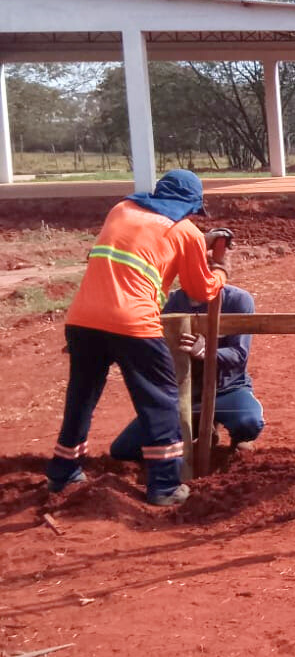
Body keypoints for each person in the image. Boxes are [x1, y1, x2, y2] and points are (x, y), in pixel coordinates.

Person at [44, 169, 228, 506]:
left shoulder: (121, 210)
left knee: (82, 396)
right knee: (159, 401)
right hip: (132, 323)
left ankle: (63, 471)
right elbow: (199, 291)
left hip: (83, 320)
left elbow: (146, 242)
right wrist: (220, 269)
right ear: (190, 204)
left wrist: (194, 243)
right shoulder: (185, 231)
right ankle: (165, 485)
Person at [109, 275, 264, 461]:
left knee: (249, 423)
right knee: (124, 449)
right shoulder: (167, 303)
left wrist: (207, 352)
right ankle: (197, 430)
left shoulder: (237, 300)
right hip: (182, 394)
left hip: (227, 389)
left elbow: (239, 355)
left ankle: (236, 436)